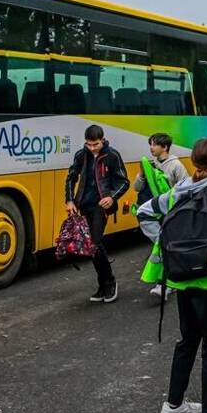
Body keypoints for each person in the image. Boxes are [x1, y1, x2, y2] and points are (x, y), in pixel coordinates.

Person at [137, 138, 207, 413]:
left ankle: (173, 405)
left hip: (181, 277)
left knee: (187, 340)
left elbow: (143, 211)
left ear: (194, 163)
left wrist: (168, 240)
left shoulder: (177, 192)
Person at [64, 124, 130, 303]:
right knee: (90, 247)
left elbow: (124, 182)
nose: (92, 148)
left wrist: (112, 198)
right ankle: (103, 285)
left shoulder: (112, 156)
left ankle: (110, 282)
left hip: (101, 207)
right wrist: (70, 200)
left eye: (95, 144)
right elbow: (71, 177)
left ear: (102, 140)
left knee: (95, 242)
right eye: (88, 144)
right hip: (83, 205)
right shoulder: (81, 155)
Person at [132, 132, 191, 298]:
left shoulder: (176, 166)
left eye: (154, 144)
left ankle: (166, 283)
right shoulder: (150, 165)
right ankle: (170, 280)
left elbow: (185, 190)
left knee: (165, 245)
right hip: (154, 212)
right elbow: (136, 188)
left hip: (170, 213)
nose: (151, 148)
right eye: (150, 144)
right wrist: (142, 174)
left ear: (164, 147)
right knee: (164, 245)